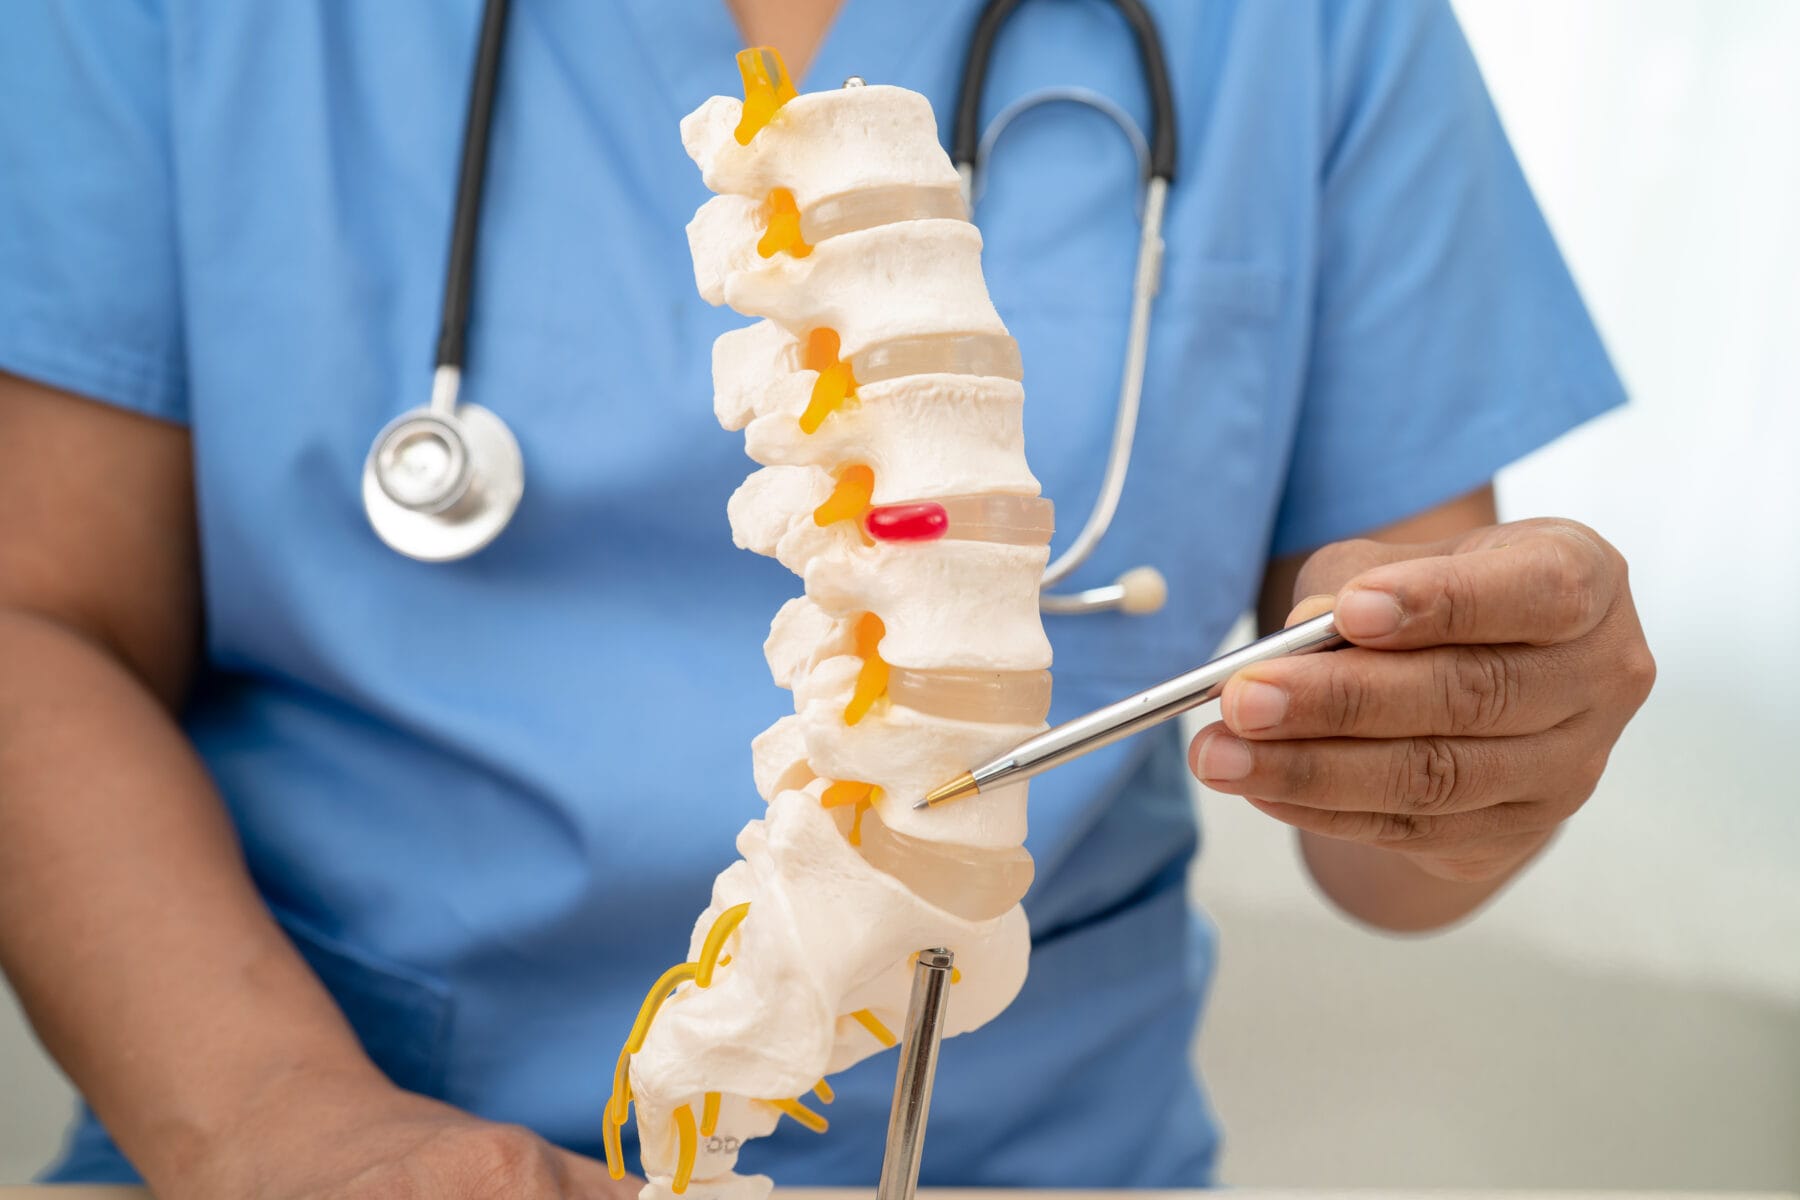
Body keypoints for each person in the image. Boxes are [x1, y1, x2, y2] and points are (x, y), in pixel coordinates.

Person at [0, 1, 1655, 1196]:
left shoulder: (1311, 29)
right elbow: (37, 615)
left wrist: (1473, 746)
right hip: (279, 1129)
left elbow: (1397, 840)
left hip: (1027, 1155)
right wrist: (278, 1123)